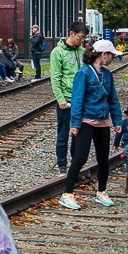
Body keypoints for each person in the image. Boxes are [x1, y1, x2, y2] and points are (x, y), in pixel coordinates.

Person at [60, 39, 123, 211]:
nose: (112, 58)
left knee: (103, 159)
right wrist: (75, 123)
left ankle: (102, 191)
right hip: (86, 120)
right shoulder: (84, 73)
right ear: (104, 55)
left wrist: (117, 121)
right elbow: (77, 98)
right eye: (111, 55)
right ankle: (67, 194)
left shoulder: (108, 75)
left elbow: (113, 99)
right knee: (80, 157)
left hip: (103, 121)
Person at [49, 21, 89, 175]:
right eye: (80, 37)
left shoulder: (82, 51)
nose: (82, 40)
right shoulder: (57, 52)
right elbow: (56, 77)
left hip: (81, 99)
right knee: (63, 132)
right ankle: (62, 163)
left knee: (78, 132)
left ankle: (75, 162)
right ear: (72, 34)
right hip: (66, 99)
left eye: (84, 38)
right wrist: (60, 99)